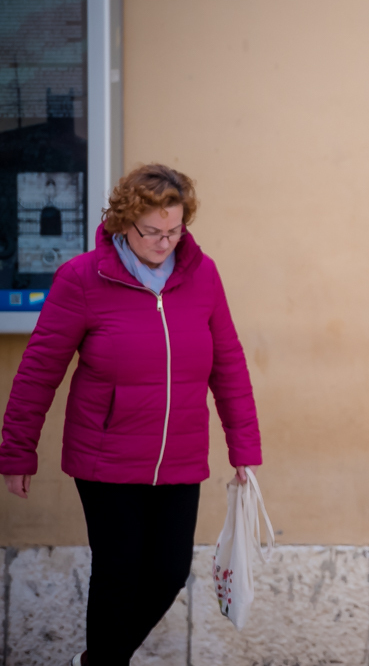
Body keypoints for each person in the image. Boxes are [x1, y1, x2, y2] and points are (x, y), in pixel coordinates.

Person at [0, 164, 262, 666]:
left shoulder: (203, 275)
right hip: (107, 457)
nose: (165, 242)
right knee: (118, 570)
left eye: (175, 230)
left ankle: (97, 661)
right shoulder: (82, 278)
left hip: (180, 455)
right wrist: (17, 452)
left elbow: (228, 363)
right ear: (124, 223)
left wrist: (244, 449)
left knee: (168, 572)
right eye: (152, 232)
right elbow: (38, 370)